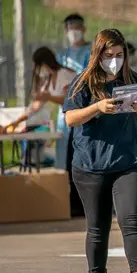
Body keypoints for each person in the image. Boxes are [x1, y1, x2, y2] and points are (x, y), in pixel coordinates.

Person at [63, 28, 137, 273]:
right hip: (90, 165)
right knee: (97, 227)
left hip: (129, 162)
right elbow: (70, 118)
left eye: (119, 55)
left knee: (132, 222)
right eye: (109, 55)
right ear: (98, 55)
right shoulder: (83, 83)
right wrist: (97, 108)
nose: (115, 60)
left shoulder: (133, 79)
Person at [56, 13, 93, 218]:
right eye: (70, 27)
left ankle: (85, 203)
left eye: (77, 26)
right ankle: (72, 203)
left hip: (85, 111)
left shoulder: (90, 52)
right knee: (68, 163)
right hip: (66, 115)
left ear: (84, 28)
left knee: (84, 160)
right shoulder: (62, 56)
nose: (74, 31)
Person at [7, 47, 75, 132]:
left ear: (44, 63)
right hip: (62, 125)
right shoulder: (48, 82)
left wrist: (49, 97)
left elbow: (70, 100)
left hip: (73, 122)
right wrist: (18, 121)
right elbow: (35, 106)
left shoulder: (66, 75)